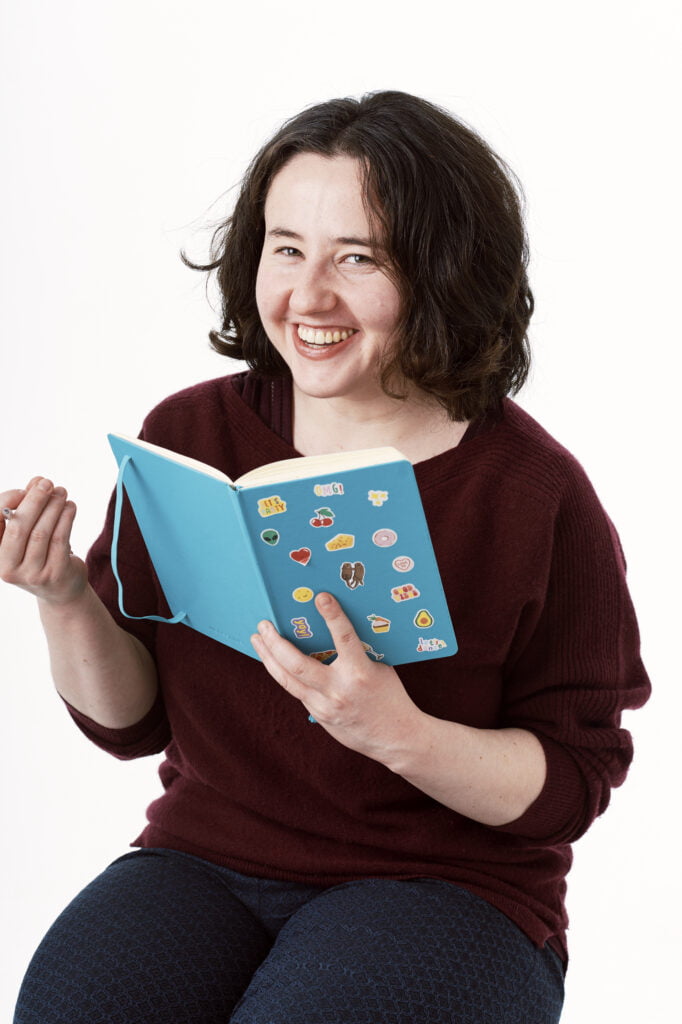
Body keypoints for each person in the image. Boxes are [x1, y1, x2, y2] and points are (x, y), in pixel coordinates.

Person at [2, 91, 650, 1024]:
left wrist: (398, 732)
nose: (308, 297)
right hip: (203, 859)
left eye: (358, 257)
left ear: (444, 270)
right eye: (286, 249)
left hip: (450, 887)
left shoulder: (536, 492)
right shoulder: (188, 435)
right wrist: (64, 596)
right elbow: (130, 723)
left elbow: (572, 784)